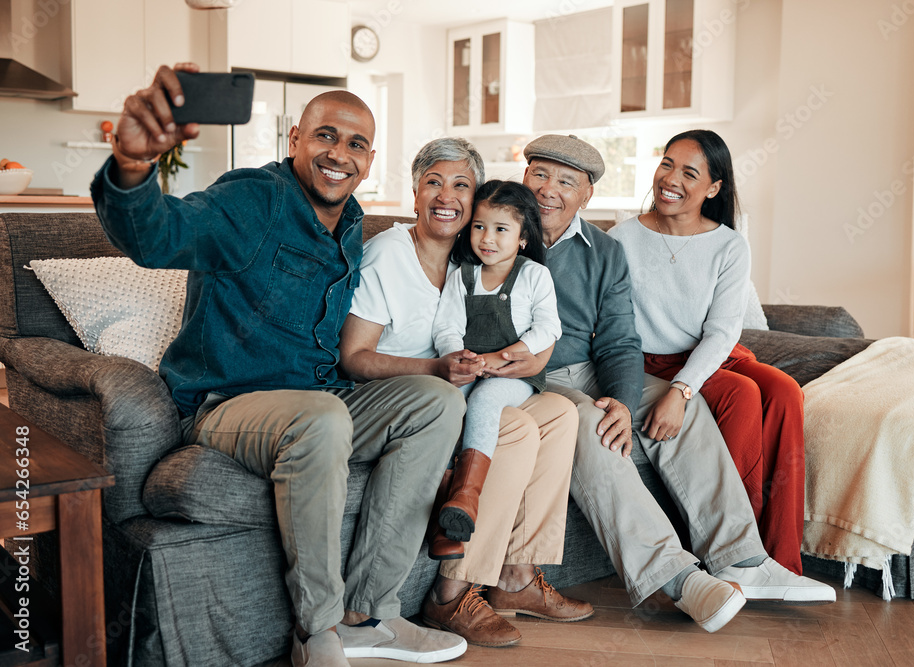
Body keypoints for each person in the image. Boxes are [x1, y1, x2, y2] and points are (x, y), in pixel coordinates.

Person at [92, 63, 467, 667]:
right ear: (295, 139)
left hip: (323, 398)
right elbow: (159, 235)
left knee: (437, 401)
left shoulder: (350, 222)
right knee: (320, 417)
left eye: (356, 144)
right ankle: (317, 631)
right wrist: (132, 166)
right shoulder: (252, 200)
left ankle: (372, 616)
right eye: (325, 135)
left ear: (370, 161)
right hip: (229, 405)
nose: (339, 153)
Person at [490, 133, 834, 634]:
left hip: (591, 366)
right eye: (539, 174)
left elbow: (618, 341)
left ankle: (740, 559)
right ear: (524, 178)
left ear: (587, 195)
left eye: (566, 181)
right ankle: (675, 578)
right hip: (531, 376)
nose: (548, 190)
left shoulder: (603, 248)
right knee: (588, 423)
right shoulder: (494, 232)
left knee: (685, 408)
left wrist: (626, 402)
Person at [338, 138, 590, 649]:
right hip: (412, 395)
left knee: (562, 412)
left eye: (460, 186)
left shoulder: (471, 257)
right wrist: (439, 368)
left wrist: (519, 358)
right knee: (514, 425)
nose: (446, 196)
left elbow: (539, 335)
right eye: (433, 182)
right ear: (414, 194)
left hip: (478, 383)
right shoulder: (389, 252)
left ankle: (516, 576)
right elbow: (355, 357)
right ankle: (452, 589)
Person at [608, 129, 806, 573]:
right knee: (742, 395)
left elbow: (721, 331)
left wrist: (680, 392)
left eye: (689, 172)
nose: (670, 178)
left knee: (786, 391)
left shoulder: (729, 245)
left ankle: (784, 560)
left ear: (713, 188)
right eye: (666, 164)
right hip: (648, 359)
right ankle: (735, 554)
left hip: (708, 353)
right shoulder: (622, 238)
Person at [430, 179, 561, 551]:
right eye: (479, 226)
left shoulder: (534, 275)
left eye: (501, 229)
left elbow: (549, 327)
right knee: (449, 402)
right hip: (471, 366)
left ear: (522, 237)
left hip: (515, 373)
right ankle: (447, 510)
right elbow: (447, 326)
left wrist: (508, 354)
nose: (487, 238)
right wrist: (459, 356)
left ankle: (467, 497)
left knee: (485, 402)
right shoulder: (463, 276)